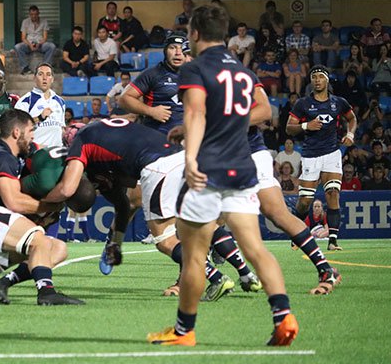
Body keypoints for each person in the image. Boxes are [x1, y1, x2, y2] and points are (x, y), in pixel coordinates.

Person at [148, 4, 297, 347]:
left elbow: (198, 112)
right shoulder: (243, 72)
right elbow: (260, 112)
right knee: (256, 248)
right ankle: (283, 315)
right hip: (243, 168)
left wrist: (190, 157)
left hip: (208, 172)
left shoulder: (195, 68)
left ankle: (184, 332)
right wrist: (188, 130)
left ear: (195, 34)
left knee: (194, 256)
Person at [43, 119, 261, 300]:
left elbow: (68, 189)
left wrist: (42, 203)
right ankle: (247, 275)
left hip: (159, 166)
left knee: (164, 240)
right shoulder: (108, 132)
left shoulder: (81, 142)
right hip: (183, 156)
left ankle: (216, 278)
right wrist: (114, 242)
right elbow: (123, 202)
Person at [0, 109, 83, 305]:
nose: (33, 135)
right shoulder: (2, 156)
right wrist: (51, 206)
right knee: (38, 239)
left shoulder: (1, 151)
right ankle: (46, 292)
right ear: (17, 133)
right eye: (31, 130)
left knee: (57, 249)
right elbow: (14, 202)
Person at [287, 65, 357, 252]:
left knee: (333, 193)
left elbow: (352, 118)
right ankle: (296, 234)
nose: (317, 80)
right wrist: (305, 126)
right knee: (304, 202)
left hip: (332, 153)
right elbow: (289, 128)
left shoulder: (338, 102)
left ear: (327, 80)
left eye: (320, 76)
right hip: (310, 156)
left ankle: (332, 241)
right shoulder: (303, 104)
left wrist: (350, 134)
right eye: (314, 77)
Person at [119, 36, 186, 134]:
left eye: (182, 48)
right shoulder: (152, 74)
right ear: (165, 51)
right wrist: (151, 111)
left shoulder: (196, 74)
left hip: (188, 136)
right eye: (173, 48)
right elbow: (124, 99)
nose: (178, 53)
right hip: (157, 136)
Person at [15, 63, 65, 148]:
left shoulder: (60, 101)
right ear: (34, 78)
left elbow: (61, 128)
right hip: (36, 153)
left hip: (57, 152)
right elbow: (18, 129)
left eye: (48, 75)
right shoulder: (25, 101)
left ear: (52, 79)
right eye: (41, 74)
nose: (44, 78)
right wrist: (39, 118)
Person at [15, 6, 56, 75]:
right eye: (32, 14)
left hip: (40, 44)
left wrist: (39, 44)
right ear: (29, 14)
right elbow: (23, 38)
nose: (34, 16)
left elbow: (45, 37)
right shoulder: (25, 22)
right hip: (29, 43)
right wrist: (30, 44)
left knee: (52, 46)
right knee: (17, 47)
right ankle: (25, 68)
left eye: (35, 14)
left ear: (38, 13)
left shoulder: (44, 21)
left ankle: (46, 66)